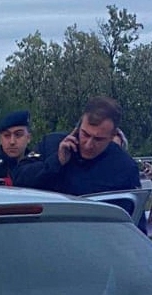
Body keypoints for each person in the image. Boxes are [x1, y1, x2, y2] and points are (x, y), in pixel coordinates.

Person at [13, 96, 146, 232]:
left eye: (98, 139)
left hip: (94, 236)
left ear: (112, 136)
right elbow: (19, 181)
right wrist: (56, 162)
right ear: (78, 126)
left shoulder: (124, 167)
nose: (89, 145)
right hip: (45, 232)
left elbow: (134, 224)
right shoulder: (51, 145)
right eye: (85, 134)